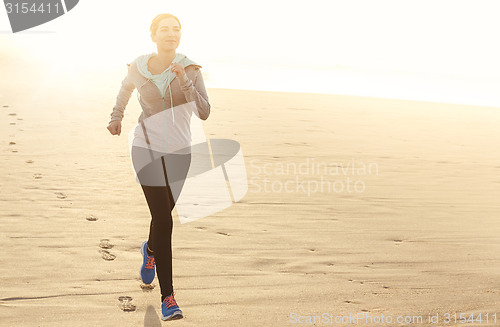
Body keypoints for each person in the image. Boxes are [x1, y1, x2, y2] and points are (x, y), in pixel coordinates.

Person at [106, 13, 210, 321]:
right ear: (153, 36)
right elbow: (125, 88)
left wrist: (184, 81)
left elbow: (204, 112)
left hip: (180, 153)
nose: (171, 33)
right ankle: (169, 298)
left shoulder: (191, 68)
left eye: (176, 29)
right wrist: (116, 116)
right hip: (146, 149)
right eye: (165, 29)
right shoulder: (139, 67)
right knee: (164, 220)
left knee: (162, 219)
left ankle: (150, 250)